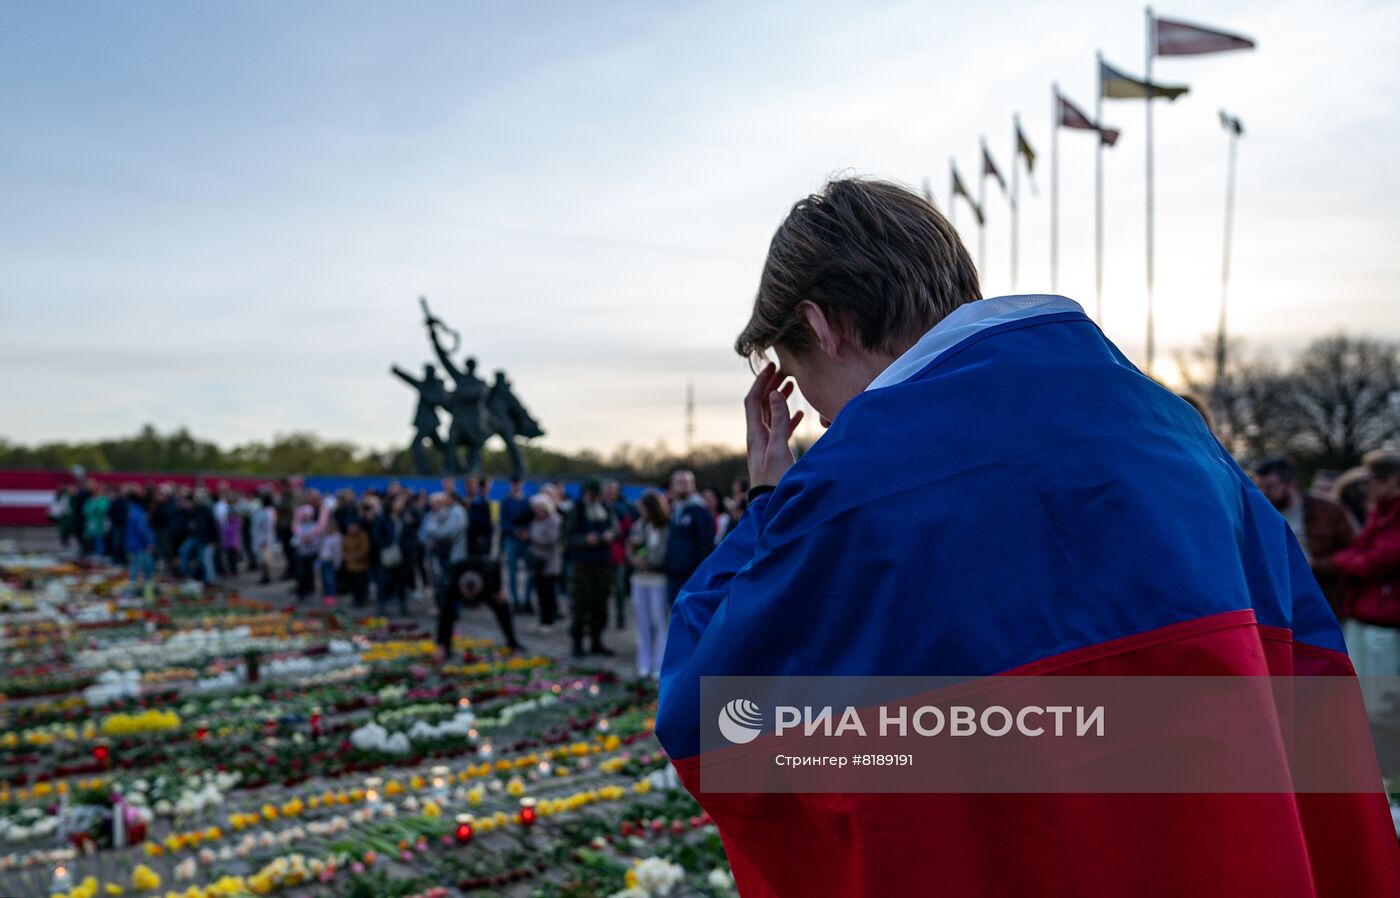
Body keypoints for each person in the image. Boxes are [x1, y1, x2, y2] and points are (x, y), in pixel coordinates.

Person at [654, 178, 1400, 896]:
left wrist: (765, 502)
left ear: (822, 323)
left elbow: (708, 715)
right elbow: (1311, 694)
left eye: (798, 376)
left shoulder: (848, 486)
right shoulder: (1181, 433)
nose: (816, 414)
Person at [1253, 457, 1356, 618]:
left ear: (1290, 484)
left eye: (1270, 487)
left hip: (1323, 596)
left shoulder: (1328, 510)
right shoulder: (1258, 513)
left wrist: (1316, 564)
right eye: (1259, 487)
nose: (1264, 492)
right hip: (1278, 598)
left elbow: (1353, 551)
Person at [1332, 450, 1400, 691]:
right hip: (1365, 611)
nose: (1366, 487)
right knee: (1359, 689)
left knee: (1379, 698)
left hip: (1383, 620)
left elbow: (1376, 561)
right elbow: (1359, 551)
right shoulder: (1381, 511)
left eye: (1371, 480)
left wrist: (1339, 559)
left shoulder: (1393, 513)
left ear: (1391, 481)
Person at [565, 478, 618, 657]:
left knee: (600, 604)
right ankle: (577, 642)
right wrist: (585, 540)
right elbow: (568, 535)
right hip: (583, 564)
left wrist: (610, 534)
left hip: (602, 564)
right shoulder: (577, 509)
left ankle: (597, 640)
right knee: (580, 605)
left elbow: (615, 527)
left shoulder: (606, 507)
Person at [436, 558, 521, 659]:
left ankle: (512, 641)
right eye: (468, 596)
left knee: (502, 605)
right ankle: (445, 647)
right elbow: (444, 615)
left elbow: (496, 567)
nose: (470, 598)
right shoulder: (452, 583)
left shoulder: (487, 573)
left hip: (485, 588)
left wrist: (498, 591)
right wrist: (441, 644)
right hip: (457, 587)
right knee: (446, 613)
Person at [626, 490, 670, 680]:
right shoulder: (639, 525)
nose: (640, 511)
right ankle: (643, 662)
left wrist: (651, 561)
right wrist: (635, 557)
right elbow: (630, 547)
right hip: (639, 578)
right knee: (642, 621)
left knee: (658, 621)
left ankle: (658, 664)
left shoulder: (666, 527)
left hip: (658, 579)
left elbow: (665, 551)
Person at [662, 469, 713, 608]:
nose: (684, 485)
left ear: (693, 486)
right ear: (672, 487)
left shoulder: (700, 511)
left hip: (691, 575)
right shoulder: (671, 510)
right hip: (673, 573)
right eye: (680, 482)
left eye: (688, 482)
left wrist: (699, 574)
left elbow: (706, 545)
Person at [524, 492, 564, 632]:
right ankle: (542, 619)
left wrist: (531, 538)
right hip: (537, 561)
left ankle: (549, 621)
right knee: (540, 591)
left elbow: (552, 539)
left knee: (548, 593)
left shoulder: (554, 520)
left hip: (550, 562)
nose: (535, 511)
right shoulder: (536, 520)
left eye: (537, 508)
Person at [499, 476, 533, 611]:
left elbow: (531, 519)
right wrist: (516, 532)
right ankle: (516, 601)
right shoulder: (506, 501)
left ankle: (527, 600)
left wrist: (526, 532)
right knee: (512, 572)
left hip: (524, 540)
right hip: (512, 539)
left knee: (530, 571)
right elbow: (504, 522)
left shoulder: (526, 501)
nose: (516, 486)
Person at [124, 488, 155, 596]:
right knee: (145, 567)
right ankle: (145, 591)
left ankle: (137, 589)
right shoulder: (139, 513)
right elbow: (143, 529)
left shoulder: (131, 512)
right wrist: (150, 541)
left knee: (135, 566)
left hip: (133, 543)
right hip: (140, 544)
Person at [343, 520, 371, 607]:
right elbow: (344, 550)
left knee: (361, 584)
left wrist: (356, 557)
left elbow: (365, 550)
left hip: (360, 565)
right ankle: (355, 599)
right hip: (351, 565)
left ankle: (362, 599)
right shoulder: (347, 537)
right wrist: (348, 557)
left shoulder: (363, 536)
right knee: (353, 584)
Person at [318, 519, 342, 604]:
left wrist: (337, 562)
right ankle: (326, 595)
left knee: (330, 579)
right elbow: (320, 547)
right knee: (324, 579)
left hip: (331, 561)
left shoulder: (337, 537)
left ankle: (331, 596)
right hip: (323, 560)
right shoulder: (325, 537)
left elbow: (337, 552)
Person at [83, 483, 110, 559]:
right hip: (91, 523)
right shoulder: (90, 500)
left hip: (100, 523)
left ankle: (100, 554)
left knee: (100, 539)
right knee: (92, 539)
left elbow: (103, 509)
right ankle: (96, 553)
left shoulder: (103, 499)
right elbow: (85, 510)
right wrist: (95, 507)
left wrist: (95, 506)